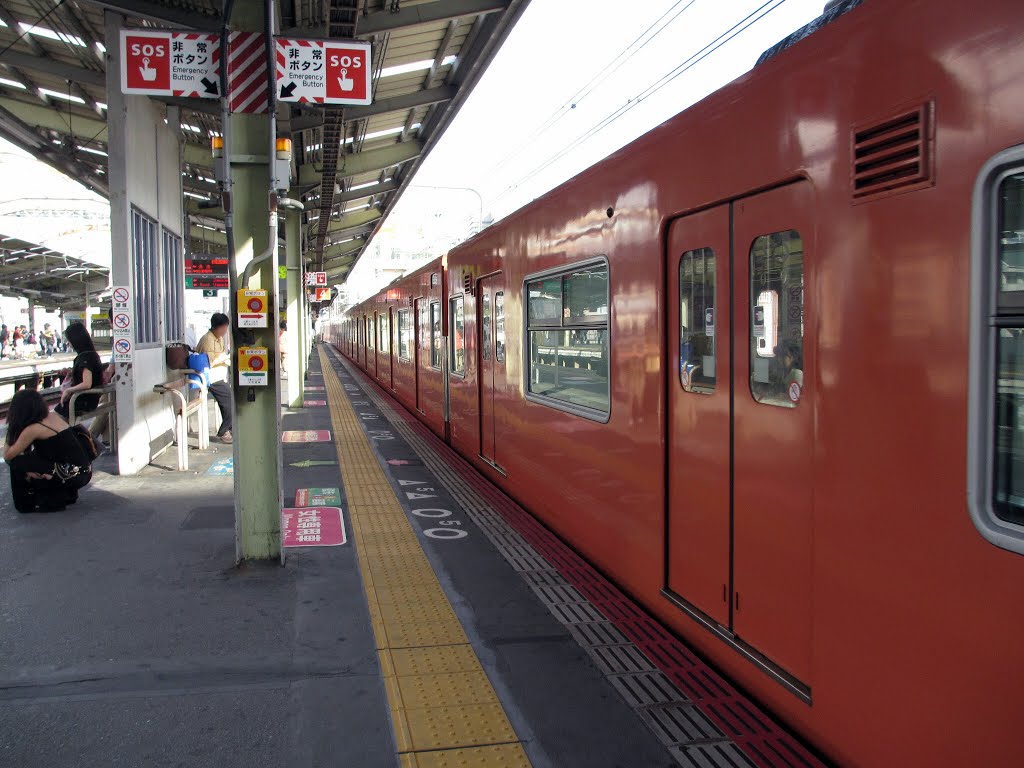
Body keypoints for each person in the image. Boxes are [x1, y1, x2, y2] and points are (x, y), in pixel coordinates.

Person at [4, 389, 91, 512]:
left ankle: (25, 504)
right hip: (82, 472)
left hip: (72, 474)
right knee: (32, 458)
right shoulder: (52, 416)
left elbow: (8, 455)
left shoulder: (34, 428)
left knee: (17, 462)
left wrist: (12, 427)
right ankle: (65, 494)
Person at [196, 313, 233, 444]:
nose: (225, 331)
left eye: (226, 328)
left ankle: (230, 429)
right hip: (211, 377)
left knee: (228, 401)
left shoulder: (219, 338)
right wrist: (226, 357)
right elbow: (210, 362)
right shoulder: (208, 339)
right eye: (223, 328)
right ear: (216, 327)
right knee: (230, 401)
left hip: (219, 376)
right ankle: (223, 431)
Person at [55, 322, 104, 421]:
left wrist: (69, 390)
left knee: (50, 421)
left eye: (69, 340)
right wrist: (71, 372)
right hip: (89, 400)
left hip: (81, 402)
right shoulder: (92, 355)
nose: (69, 343)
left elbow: (87, 383)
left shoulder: (84, 358)